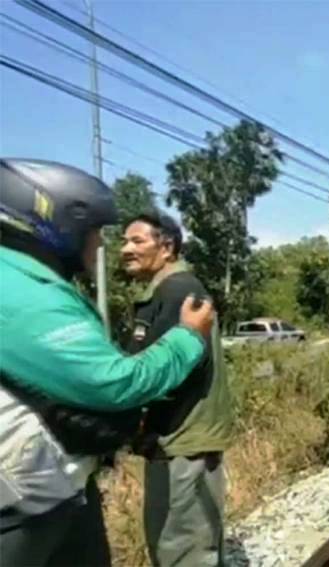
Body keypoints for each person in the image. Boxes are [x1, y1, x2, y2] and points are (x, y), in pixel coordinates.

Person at [0, 158, 214, 566]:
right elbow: (114, 382)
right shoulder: (24, 293)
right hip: (25, 498)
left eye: (136, 240)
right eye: (97, 233)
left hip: (51, 489)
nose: (106, 246)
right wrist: (188, 339)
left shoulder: (180, 289)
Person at [120, 210, 234, 567]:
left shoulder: (179, 291)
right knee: (178, 545)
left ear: (166, 246)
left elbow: (174, 368)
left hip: (183, 442)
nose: (125, 249)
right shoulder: (166, 291)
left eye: (137, 240)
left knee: (183, 550)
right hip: (173, 442)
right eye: (125, 240)